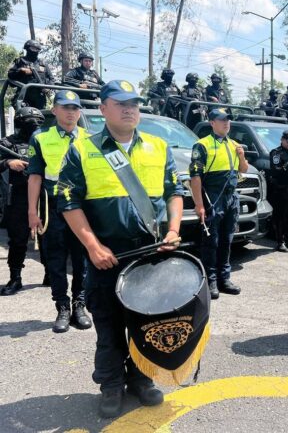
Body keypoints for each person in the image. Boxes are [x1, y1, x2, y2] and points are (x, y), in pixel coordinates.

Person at [57, 79, 183, 418]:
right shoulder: (83, 149)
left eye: (134, 103)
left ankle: (141, 379)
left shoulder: (158, 146)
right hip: (105, 257)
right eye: (120, 102)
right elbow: (68, 202)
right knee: (109, 325)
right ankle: (111, 384)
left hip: (151, 254)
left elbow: (174, 191)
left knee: (145, 323)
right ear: (103, 109)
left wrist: (172, 229)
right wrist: (93, 246)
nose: (130, 109)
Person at [27, 90, 91, 333]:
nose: (71, 112)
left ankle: (79, 305)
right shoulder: (40, 137)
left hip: (81, 207)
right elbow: (34, 177)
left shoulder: (89, 138)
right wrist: (32, 212)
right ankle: (62, 307)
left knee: (81, 259)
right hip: (53, 207)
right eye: (65, 107)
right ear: (54, 110)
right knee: (55, 261)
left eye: (75, 108)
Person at [189, 108, 247, 300]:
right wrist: (199, 205)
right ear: (212, 122)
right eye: (222, 120)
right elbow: (195, 177)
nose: (226, 123)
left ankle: (225, 278)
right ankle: (210, 280)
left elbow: (243, 169)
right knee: (211, 241)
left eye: (228, 120)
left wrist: (241, 156)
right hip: (213, 196)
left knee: (227, 239)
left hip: (231, 197)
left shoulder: (234, 144)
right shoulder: (202, 145)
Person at [0, 106, 44, 295]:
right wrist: (9, 163)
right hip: (19, 196)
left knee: (49, 239)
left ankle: (50, 274)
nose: (34, 127)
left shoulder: (45, 142)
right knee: (18, 239)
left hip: (45, 196)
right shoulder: (8, 143)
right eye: (30, 123)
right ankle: (15, 278)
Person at [7, 40, 54, 109]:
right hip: (24, 96)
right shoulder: (20, 61)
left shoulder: (43, 64)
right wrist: (21, 70)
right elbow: (10, 75)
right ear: (27, 48)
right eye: (33, 48)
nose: (35, 51)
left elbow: (52, 79)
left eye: (37, 49)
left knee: (40, 117)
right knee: (24, 117)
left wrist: (48, 87)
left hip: (40, 98)